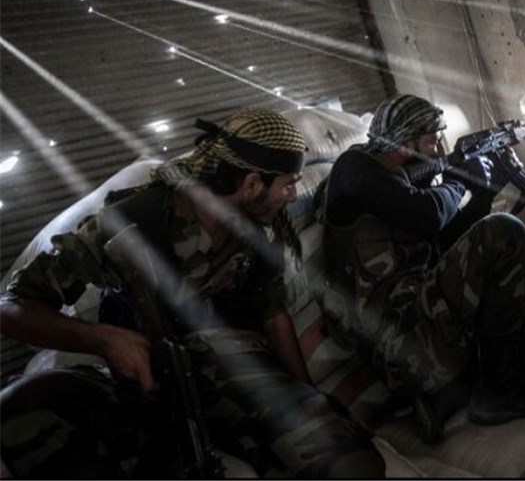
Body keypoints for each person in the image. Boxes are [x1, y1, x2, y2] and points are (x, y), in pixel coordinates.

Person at [0, 108, 386, 478]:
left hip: (237, 379)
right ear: (251, 184)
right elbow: (13, 306)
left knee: (345, 461)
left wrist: (307, 395)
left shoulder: (261, 229)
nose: (292, 194)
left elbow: (272, 313)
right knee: (20, 407)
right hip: (146, 387)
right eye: (287, 184)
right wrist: (103, 339)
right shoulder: (133, 222)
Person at [320, 94, 525, 442]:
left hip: (438, 323)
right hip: (399, 344)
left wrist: (483, 192)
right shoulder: (354, 169)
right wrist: (459, 181)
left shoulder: (409, 186)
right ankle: (499, 392)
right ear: (405, 141)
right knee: (505, 232)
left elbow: (449, 244)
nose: (439, 151)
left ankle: (458, 385)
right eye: (433, 141)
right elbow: (426, 216)